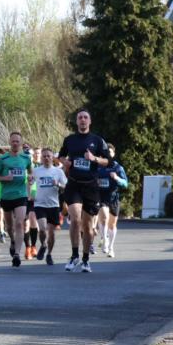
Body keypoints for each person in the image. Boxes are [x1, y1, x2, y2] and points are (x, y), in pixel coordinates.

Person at [57, 109, 110, 273]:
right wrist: (65, 162)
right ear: (77, 121)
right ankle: (74, 256)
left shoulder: (97, 140)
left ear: (90, 121)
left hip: (91, 186)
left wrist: (94, 158)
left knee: (87, 226)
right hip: (73, 184)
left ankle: (85, 259)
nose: (82, 120)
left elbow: (107, 161)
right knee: (75, 218)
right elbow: (60, 156)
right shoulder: (70, 140)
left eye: (85, 117)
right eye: (80, 117)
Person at [0, 132, 32, 267]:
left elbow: (31, 172)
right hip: (6, 196)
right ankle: (13, 241)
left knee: (20, 223)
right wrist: (5, 178)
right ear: (10, 142)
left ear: (21, 143)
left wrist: (31, 178)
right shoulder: (3, 159)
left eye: (17, 141)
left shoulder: (26, 158)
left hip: (21, 195)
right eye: (13, 141)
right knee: (9, 226)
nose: (15, 143)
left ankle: (17, 254)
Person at [30, 148, 68, 265]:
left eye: (49, 156)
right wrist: (30, 194)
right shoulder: (36, 171)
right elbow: (30, 183)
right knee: (42, 229)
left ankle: (49, 254)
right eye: (44, 156)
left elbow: (66, 187)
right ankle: (43, 244)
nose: (46, 158)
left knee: (51, 233)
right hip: (39, 204)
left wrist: (58, 184)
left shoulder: (58, 172)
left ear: (52, 158)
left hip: (53, 205)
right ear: (41, 158)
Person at [96, 143, 128, 257]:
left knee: (112, 225)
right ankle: (105, 240)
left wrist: (117, 178)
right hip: (101, 196)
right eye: (106, 152)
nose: (108, 154)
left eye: (110, 152)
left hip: (113, 198)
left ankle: (111, 248)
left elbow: (125, 184)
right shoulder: (97, 166)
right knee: (104, 217)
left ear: (114, 154)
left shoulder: (118, 168)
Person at [23, 145, 40, 259]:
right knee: (25, 225)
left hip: (35, 198)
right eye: (27, 155)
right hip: (23, 197)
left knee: (33, 221)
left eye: (31, 155)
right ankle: (27, 247)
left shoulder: (38, 168)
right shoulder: (22, 168)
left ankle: (34, 246)